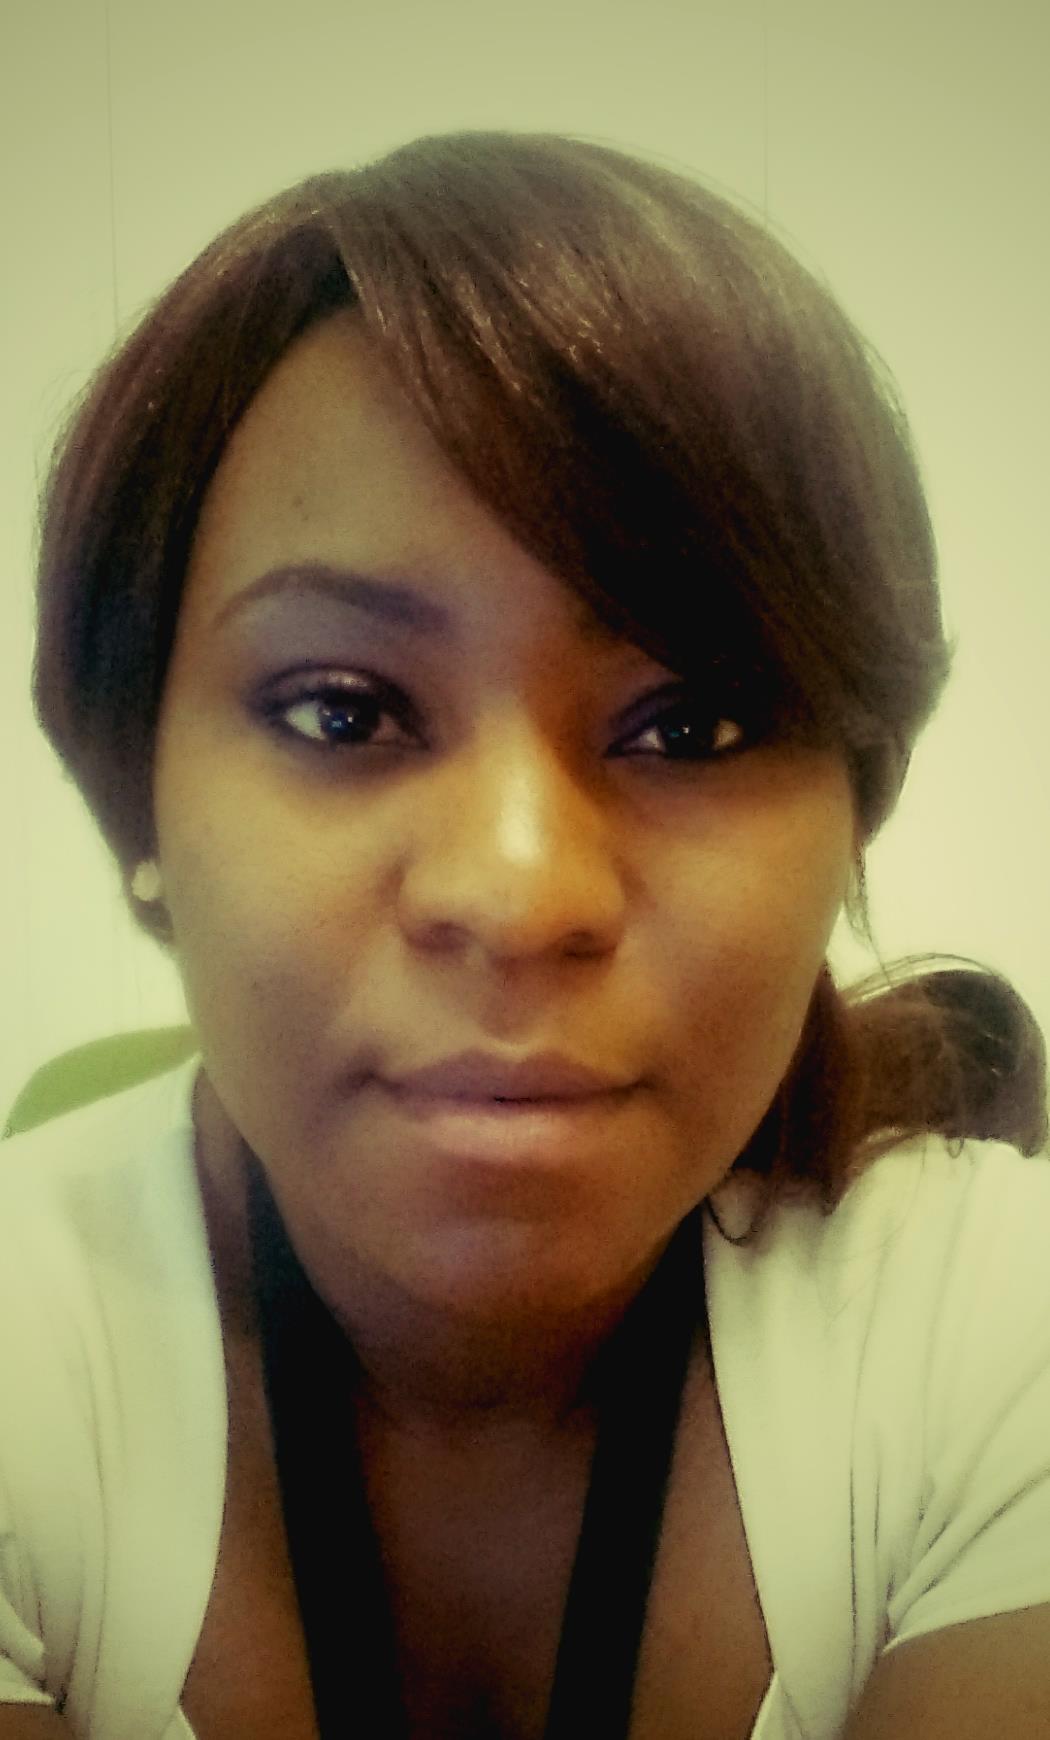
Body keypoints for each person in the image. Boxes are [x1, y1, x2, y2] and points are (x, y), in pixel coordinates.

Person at [2, 128, 1048, 1740]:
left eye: (690, 724)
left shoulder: (1000, 1333)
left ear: (856, 809)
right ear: (134, 788)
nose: (519, 895)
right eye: (343, 709)